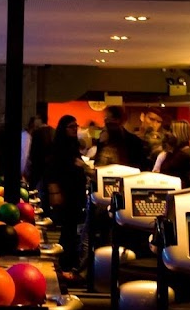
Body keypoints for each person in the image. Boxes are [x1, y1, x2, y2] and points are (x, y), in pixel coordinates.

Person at [42, 114, 90, 281]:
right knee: (68, 230)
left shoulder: (72, 145)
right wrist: (55, 193)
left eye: (76, 126)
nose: (75, 129)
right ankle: (64, 264)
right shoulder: (58, 147)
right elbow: (51, 172)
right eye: (71, 126)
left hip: (75, 192)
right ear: (63, 128)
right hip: (66, 193)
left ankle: (66, 263)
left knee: (71, 229)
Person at [93, 105, 148, 169]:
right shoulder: (103, 139)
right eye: (106, 119)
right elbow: (97, 164)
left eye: (109, 119)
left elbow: (140, 166)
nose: (106, 122)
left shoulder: (134, 142)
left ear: (119, 121)